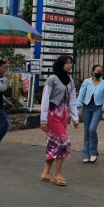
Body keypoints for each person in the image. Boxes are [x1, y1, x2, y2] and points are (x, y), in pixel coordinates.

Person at [40, 55, 79, 185]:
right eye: (66, 63)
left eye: (70, 63)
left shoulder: (70, 81)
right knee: (64, 142)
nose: (69, 65)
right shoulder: (52, 79)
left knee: (54, 144)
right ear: (60, 64)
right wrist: (43, 120)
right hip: (52, 115)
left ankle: (45, 173)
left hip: (63, 117)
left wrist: (75, 118)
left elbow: (72, 100)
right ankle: (58, 174)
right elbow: (45, 99)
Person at [76, 64, 104, 163]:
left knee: (92, 129)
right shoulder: (87, 82)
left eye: (101, 71)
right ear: (92, 72)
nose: (99, 73)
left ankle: (93, 152)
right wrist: (79, 105)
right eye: (98, 71)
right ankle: (86, 154)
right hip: (87, 108)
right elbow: (81, 94)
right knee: (86, 132)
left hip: (97, 108)